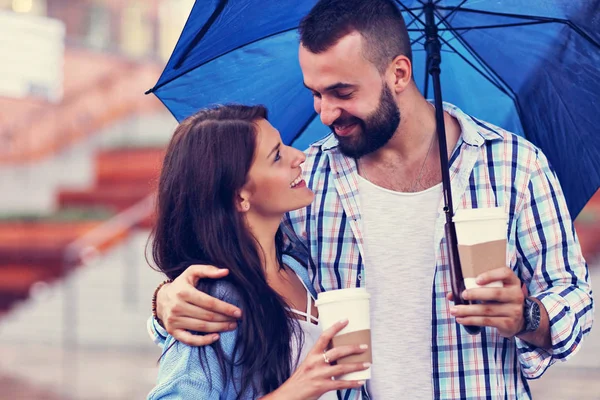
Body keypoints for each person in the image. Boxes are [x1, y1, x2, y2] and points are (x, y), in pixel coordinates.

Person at [149, 1, 594, 399]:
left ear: (398, 74)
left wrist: (527, 315)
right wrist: (164, 302)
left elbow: (572, 297)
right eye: (316, 94)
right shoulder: (310, 180)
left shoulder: (515, 165)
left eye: (342, 93)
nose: (325, 114)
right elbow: (244, 267)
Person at [146, 104, 370, 399]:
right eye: (277, 156)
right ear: (240, 196)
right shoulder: (217, 301)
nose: (298, 156)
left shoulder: (298, 269)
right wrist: (293, 392)